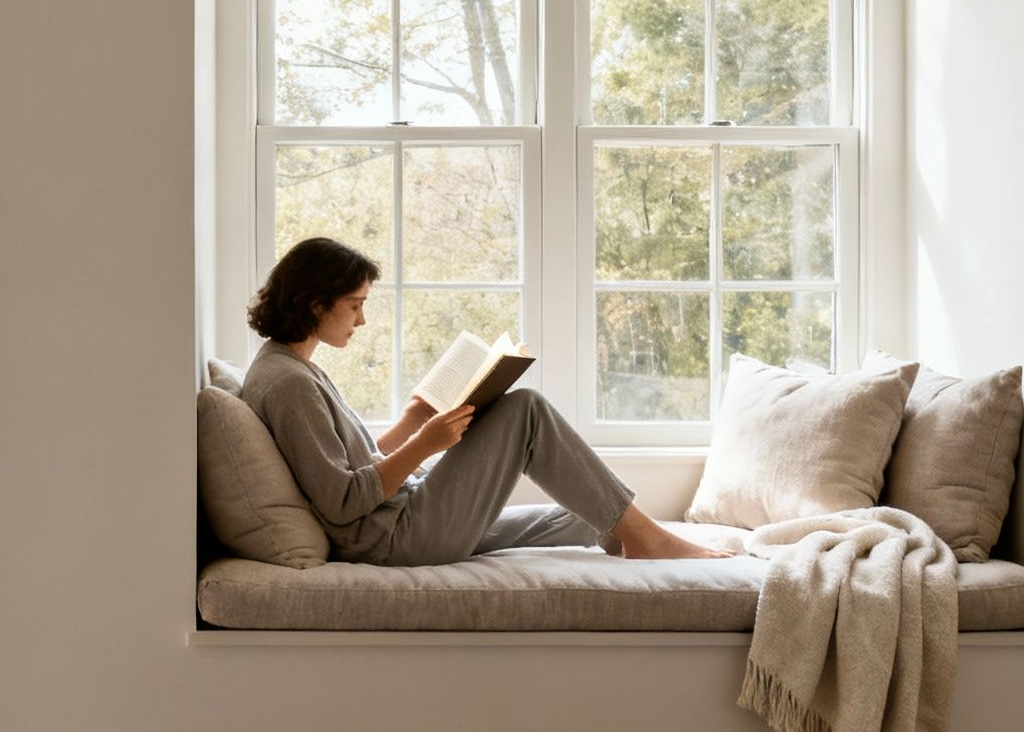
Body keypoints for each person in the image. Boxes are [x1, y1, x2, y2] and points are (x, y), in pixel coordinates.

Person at [239, 237, 736, 566]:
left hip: (400, 514)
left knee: (588, 513)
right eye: (356, 305)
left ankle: (634, 534)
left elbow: (353, 465)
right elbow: (343, 500)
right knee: (525, 410)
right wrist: (426, 444)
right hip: (395, 540)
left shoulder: (290, 368)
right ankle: (653, 543)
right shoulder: (288, 385)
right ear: (314, 303)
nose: (361, 321)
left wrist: (416, 421)